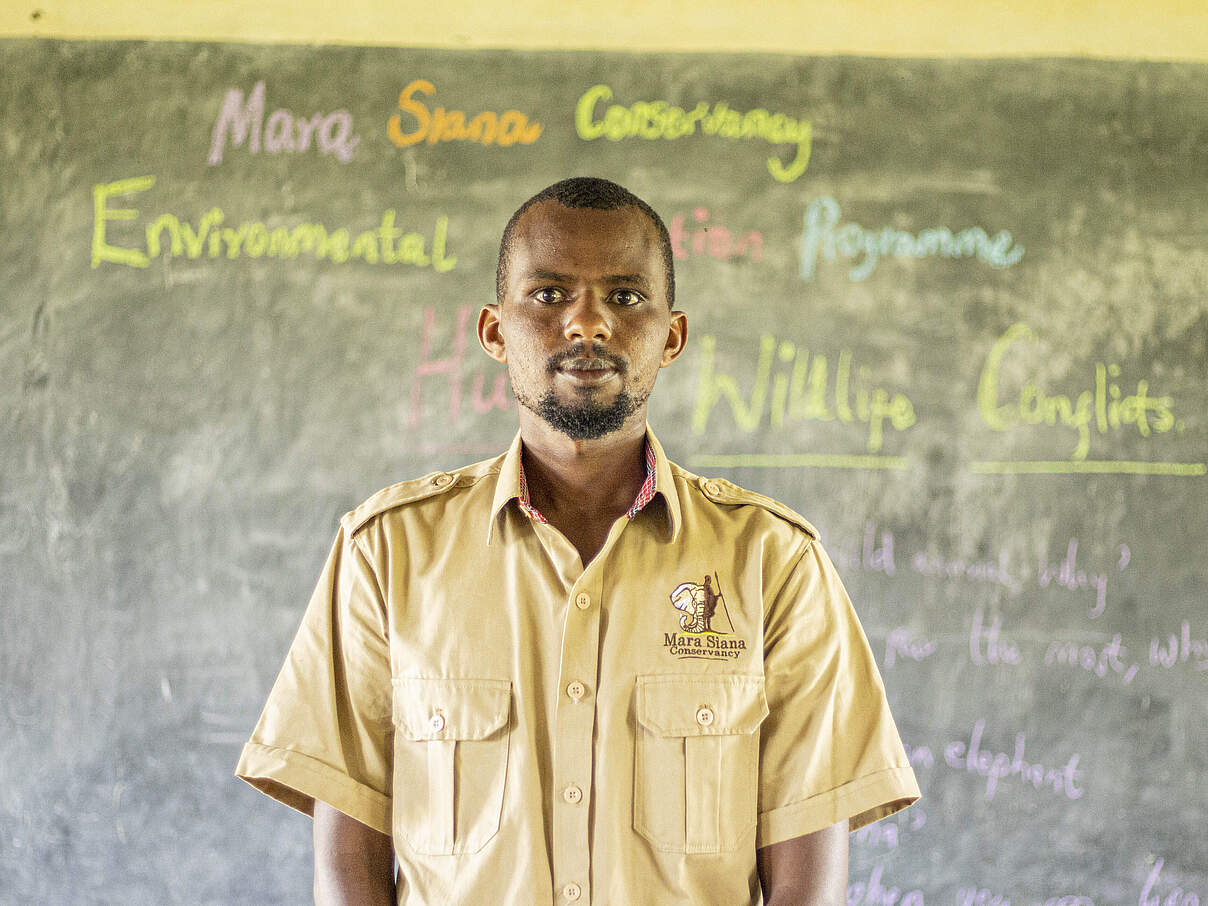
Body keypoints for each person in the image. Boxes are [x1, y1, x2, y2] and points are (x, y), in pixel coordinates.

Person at [236, 176, 920, 905]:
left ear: (672, 337)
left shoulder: (771, 561)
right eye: (549, 294)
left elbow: (807, 885)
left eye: (625, 297)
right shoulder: (388, 553)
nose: (586, 324)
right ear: (495, 331)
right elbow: (350, 868)